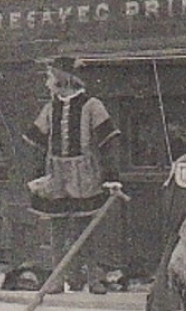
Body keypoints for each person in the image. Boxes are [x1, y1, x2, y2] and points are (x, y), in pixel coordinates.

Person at [22, 56, 123, 288]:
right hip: (56, 175)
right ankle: (60, 279)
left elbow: (108, 142)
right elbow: (37, 143)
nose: (47, 82)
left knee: (86, 230)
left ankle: (93, 279)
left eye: (49, 77)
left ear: (62, 79)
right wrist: (38, 176)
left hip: (84, 176)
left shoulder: (92, 105)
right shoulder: (50, 108)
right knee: (57, 231)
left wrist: (111, 177)